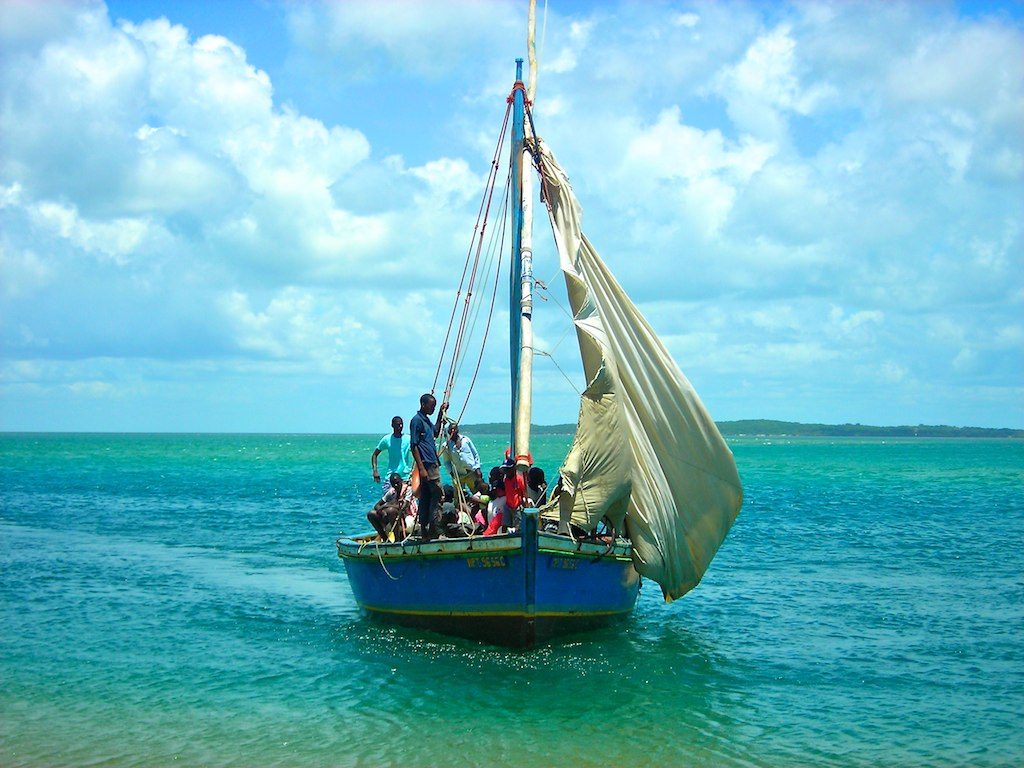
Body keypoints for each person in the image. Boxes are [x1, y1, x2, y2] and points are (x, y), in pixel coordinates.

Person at [409, 392, 447, 540]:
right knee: (438, 495)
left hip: (432, 463)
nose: (432, 408)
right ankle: (434, 530)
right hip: (427, 465)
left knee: (426, 497)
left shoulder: (426, 421)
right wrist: (422, 468)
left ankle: (426, 530)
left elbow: (435, 432)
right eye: (432, 406)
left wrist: (440, 414)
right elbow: (414, 445)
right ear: (423, 404)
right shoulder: (417, 421)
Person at [371, 416, 413, 495]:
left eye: (401, 424)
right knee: (389, 502)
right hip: (391, 478)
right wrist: (375, 471)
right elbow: (374, 455)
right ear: (392, 425)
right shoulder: (387, 439)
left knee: (405, 504)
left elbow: (416, 454)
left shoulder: (408, 439)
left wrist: (415, 472)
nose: (400, 426)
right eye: (397, 424)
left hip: (405, 477)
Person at [367, 473, 415, 541]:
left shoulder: (408, 489)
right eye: (393, 483)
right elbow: (377, 505)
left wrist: (386, 506)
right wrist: (383, 511)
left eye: (397, 483)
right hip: (394, 516)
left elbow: (403, 506)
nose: (396, 485)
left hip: (408, 517)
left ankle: (397, 540)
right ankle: (385, 538)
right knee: (371, 514)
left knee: (391, 510)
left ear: (401, 480)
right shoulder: (392, 491)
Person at [440, 424, 482, 491]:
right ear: (448, 431)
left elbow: (475, 454)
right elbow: (447, 462)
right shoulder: (446, 446)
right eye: (451, 429)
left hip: (471, 471)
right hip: (458, 475)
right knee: (459, 495)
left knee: (476, 492)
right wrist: (452, 473)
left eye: (454, 429)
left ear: (458, 430)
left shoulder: (466, 440)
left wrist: (477, 468)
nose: (453, 431)